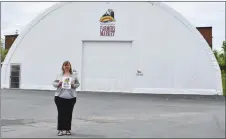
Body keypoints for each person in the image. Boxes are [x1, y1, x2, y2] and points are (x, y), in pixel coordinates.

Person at [52, 61, 80, 136]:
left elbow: (78, 84)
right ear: (63, 66)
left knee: (69, 114)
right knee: (61, 114)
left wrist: (73, 85)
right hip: (59, 97)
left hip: (71, 98)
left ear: (70, 66)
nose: (66, 67)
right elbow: (54, 83)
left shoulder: (73, 75)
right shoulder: (59, 75)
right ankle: (60, 130)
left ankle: (67, 129)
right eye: (65, 65)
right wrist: (59, 83)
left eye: (68, 65)